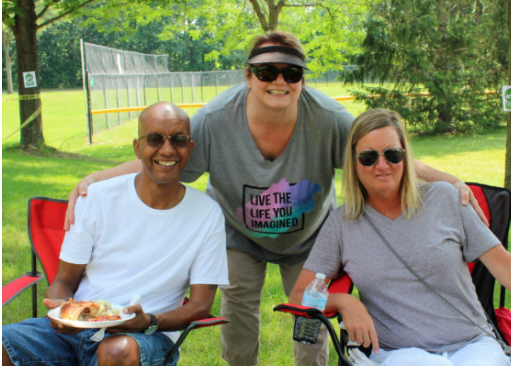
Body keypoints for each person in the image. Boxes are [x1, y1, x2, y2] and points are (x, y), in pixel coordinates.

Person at [63, 32, 486, 366]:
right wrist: (97, 178)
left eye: (291, 72)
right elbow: (165, 158)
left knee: (312, 322)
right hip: (238, 234)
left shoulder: (330, 119)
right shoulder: (214, 120)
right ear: (248, 75)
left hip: (310, 238)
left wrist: (449, 179)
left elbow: (384, 153)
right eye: (267, 72)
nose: (279, 81)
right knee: (239, 317)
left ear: (303, 79)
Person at [289, 108, 511, 366]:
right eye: (368, 157)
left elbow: (505, 266)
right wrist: (344, 302)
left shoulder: (444, 199)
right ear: (353, 162)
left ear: (405, 156)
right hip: (396, 352)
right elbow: (299, 294)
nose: (382, 165)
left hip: (472, 344)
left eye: (392, 154)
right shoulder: (342, 224)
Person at [2, 102, 229, 366]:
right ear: (138, 147)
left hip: (146, 336)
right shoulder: (98, 197)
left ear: (189, 148)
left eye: (178, 140)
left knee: (117, 351)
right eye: (154, 139)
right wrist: (64, 310)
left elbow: (200, 306)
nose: (167, 150)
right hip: (79, 329)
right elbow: (64, 279)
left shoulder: (206, 214)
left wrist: (150, 321)